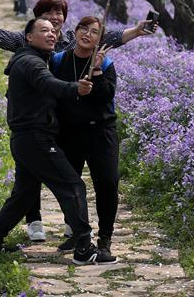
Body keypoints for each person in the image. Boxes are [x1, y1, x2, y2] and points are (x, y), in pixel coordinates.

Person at [0, 0, 158, 241]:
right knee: (39, 178)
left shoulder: (68, 41)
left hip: (77, 125)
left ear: (65, 19)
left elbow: (105, 38)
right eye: (47, 15)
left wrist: (137, 31)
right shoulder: (30, 43)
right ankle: (38, 223)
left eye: (59, 14)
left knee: (50, 180)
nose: (54, 20)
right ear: (35, 22)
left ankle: (70, 230)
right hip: (46, 124)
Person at [0, 18, 117, 265]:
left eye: (53, 31)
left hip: (26, 139)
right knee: (73, 186)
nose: (52, 34)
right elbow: (48, 83)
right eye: (44, 31)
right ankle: (84, 248)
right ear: (29, 38)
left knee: (23, 196)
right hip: (36, 138)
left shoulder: (33, 59)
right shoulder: (31, 63)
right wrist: (75, 88)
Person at [49, 15, 119, 259]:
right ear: (76, 31)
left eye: (94, 32)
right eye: (83, 29)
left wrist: (97, 70)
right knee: (71, 185)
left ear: (100, 39)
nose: (87, 34)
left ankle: (105, 238)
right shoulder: (59, 60)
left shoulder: (106, 63)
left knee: (107, 184)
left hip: (101, 132)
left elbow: (106, 97)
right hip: (71, 132)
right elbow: (53, 92)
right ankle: (79, 236)